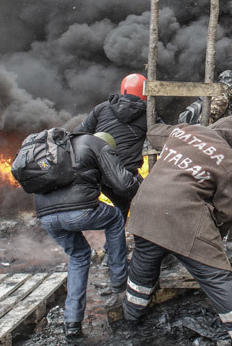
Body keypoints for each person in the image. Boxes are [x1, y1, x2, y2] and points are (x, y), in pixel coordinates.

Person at [122, 115, 232, 345]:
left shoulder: (183, 131)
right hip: (183, 218)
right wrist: (216, 235)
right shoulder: (229, 162)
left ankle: (131, 315)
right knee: (217, 278)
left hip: (143, 209)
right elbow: (227, 211)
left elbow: (155, 132)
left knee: (143, 264)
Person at [35, 132, 140, 340]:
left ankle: (72, 322)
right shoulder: (99, 145)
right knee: (115, 219)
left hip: (45, 216)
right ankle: (119, 278)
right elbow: (123, 184)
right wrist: (140, 186)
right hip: (78, 211)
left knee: (79, 256)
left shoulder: (62, 148)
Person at [75, 73, 149, 219]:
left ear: (124, 90)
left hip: (98, 173)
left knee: (121, 207)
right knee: (147, 202)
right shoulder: (148, 114)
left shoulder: (102, 108)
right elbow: (162, 136)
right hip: (125, 176)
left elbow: (79, 134)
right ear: (146, 93)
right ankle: (133, 235)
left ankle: (116, 228)